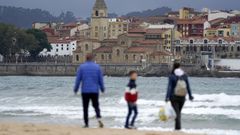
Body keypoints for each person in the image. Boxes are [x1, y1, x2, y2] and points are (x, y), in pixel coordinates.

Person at [74, 54, 105, 128]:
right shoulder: (97, 67)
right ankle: (99, 118)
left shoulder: (82, 67)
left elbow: (78, 79)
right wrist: (102, 88)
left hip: (85, 90)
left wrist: (76, 89)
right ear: (92, 58)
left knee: (85, 107)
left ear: (86, 58)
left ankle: (86, 123)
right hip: (95, 90)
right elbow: (100, 79)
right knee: (96, 106)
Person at [165, 62, 194, 130]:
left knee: (177, 113)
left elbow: (170, 87)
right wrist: (190, 96)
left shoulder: (172, 76)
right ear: (180, 66)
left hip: (174, 97)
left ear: (173, 67)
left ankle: (178, 129)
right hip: (182, 97)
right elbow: (188, 87)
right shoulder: (184, 75)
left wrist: (167, 97)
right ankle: (177, 128)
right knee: (178, 113)